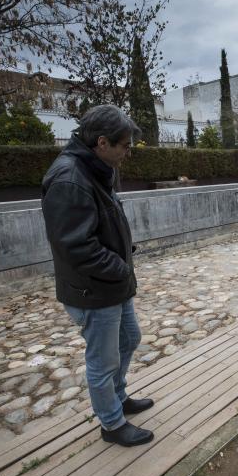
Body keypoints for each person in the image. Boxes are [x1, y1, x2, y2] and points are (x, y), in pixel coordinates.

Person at [41, 104, 154, 447]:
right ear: (102, 143)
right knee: (102, 360)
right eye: (124, 146)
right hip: (94, 289)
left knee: (128, 339)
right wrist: (119, 267)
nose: (128, 152)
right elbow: (76, 246)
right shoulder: (70, 179)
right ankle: (111, 423)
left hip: (111, 285)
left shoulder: (95, 167)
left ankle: (117, 399)